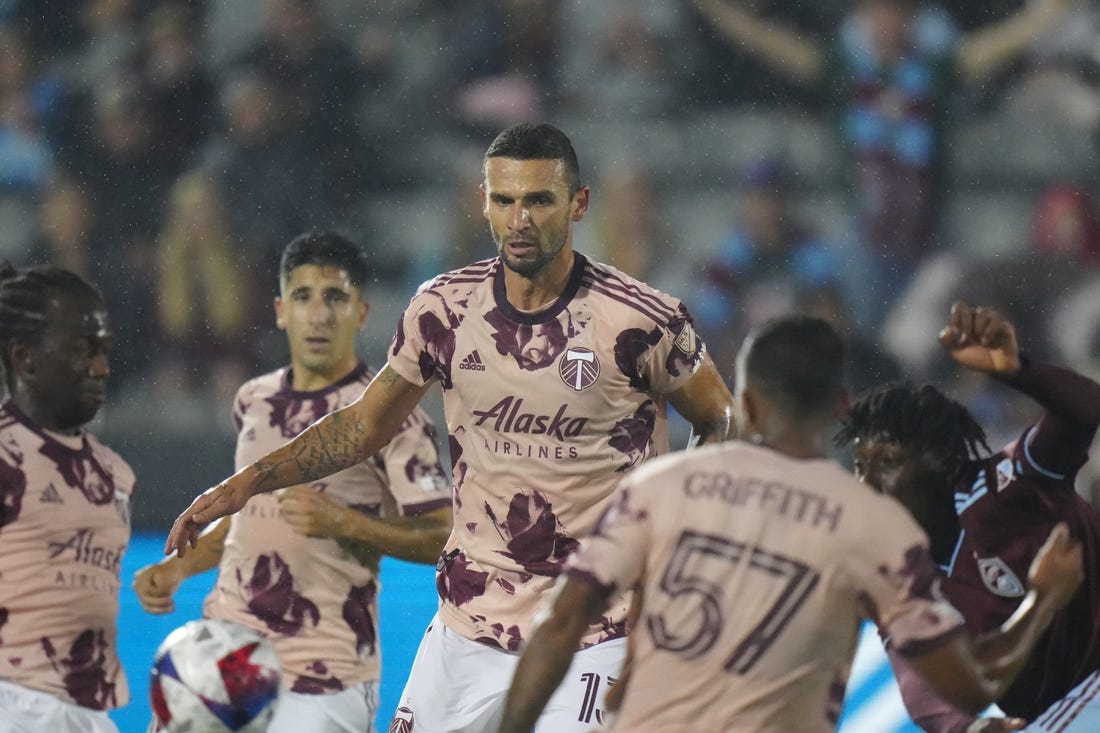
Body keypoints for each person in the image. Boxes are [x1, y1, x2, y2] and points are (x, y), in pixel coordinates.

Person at [164, 122, 737, 731]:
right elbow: (362, 426)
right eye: (504, 199)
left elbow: (720, 419)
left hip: (593, 628)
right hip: (468, 623)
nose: (520, 219)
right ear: (483, 202)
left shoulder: (641, 320)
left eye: (539, 200)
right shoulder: (443, 309)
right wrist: (249, 481)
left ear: (579, 204)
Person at [496, 315, 1083, 733]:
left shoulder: (658, 487)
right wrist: (1042, 602)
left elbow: (562, 622)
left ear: (745, 406)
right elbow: (962, 685)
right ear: (838, 408)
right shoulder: (872, 528)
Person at [134, 231, 453, 732]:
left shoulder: (394, 417)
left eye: (335, 297)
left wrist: (346, 523)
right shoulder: (254, 399)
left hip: (324, 674)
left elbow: (444, 538)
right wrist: (179, 569)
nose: (319, 314)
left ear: (362, 313)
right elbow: (249, 521)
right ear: (281, 310)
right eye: (303, 297)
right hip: (225, 657)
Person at [690, 0, 1074, 315]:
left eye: (900, 12)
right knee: (866, 340)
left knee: (939, 336)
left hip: (929, 234)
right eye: (881, 10)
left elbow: (993, 48)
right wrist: (720, 13)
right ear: (866, 16)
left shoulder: (933, 71)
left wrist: (1050, 15)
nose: (890, 21)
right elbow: (776, 47)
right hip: (866, 238)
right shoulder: (846, 70)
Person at [837, 301, 1100, 731]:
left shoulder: (1012, 484)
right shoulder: (898, 580)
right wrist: (967, 727)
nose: (866, 485)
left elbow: (1086, 410)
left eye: (887, 462)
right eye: (860, 467)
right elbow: (922, 688)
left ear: (941, 462)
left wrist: (1017, 371)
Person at [0, 262, 134, 733]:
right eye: (80, 350)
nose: (100, 367)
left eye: (103, 349)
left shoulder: (113, 472)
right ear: (26, 358)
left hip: (86, 715)